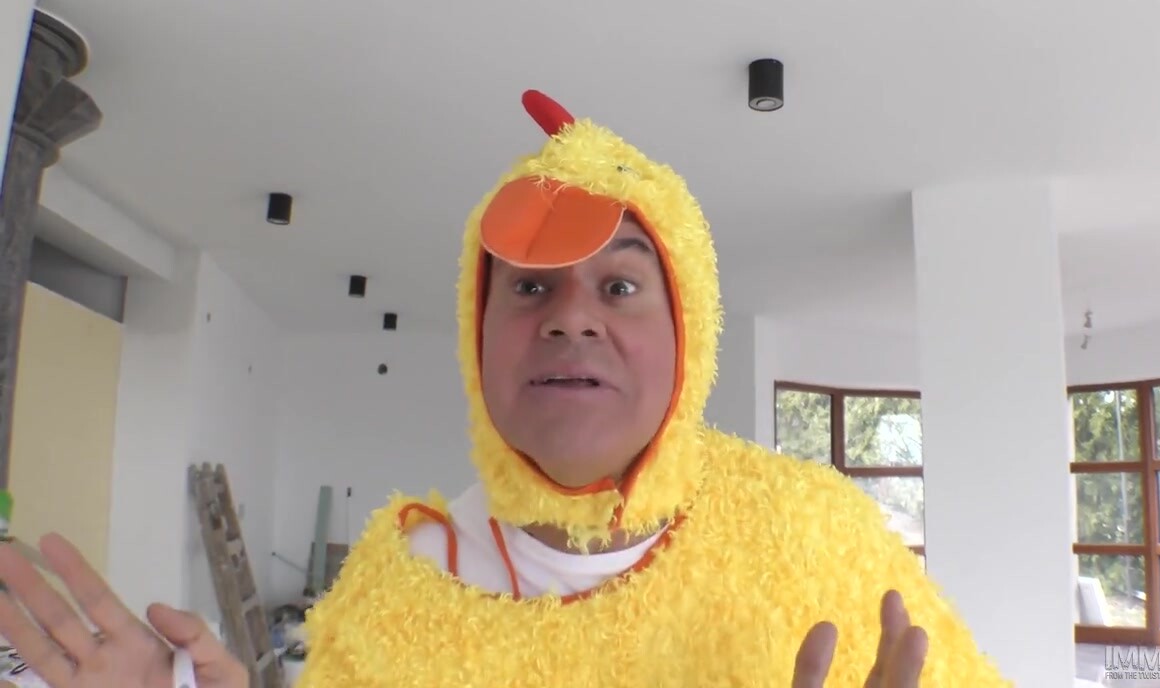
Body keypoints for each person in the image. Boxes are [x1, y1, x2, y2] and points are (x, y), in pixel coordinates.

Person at [0, 90, 1011, 687]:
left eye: (620, 286)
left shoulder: (816, 537)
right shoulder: (397, 588)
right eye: (528, 287)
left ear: (689, 335)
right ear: (476, 338)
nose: (570, 317)